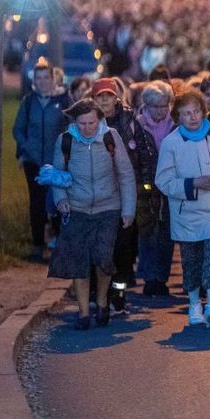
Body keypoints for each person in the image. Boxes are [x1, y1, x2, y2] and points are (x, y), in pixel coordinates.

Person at [154, 89, 210, 328]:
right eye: (186, 114)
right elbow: (163, 181)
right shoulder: (171, 143)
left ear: (203, 112)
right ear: (178, 117)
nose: (193, 117)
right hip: (188, 213)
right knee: (192, 260)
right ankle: (194, 304)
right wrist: (194, 183)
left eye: (196, 112)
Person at [47, 99, 136, 330]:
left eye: (91, 122)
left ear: (100, 120)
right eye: (82, 123)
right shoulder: (65, 140)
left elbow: (125, 175)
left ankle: (103, 300)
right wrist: (61, 199)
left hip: (108, 207)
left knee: (103, 258)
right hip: (77, 208)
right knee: (79, 262)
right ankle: (84, 312)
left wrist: (128, 210)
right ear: (75, 122)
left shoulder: (111, 138)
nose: (87, 127)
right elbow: (57, 174)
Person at [12, 58, 70, 261]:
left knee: (56, 202)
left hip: (56, 162)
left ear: (53, 78)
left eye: (47, 77)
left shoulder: (63, 101)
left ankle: (59, 244)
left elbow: (69, 128)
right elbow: (18, 128)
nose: (43, 81)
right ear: (34, 80)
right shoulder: (29, 102)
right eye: (39, 78)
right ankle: (37, 245)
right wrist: (26, 148)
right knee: (36, 203)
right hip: (33, 161)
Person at [92, 77, 138, 313]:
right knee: (97, 246)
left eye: (108, 96)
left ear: (115, 97)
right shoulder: (87, 123)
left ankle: (119, 290)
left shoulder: (129, 121)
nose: (104, 100)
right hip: (95, 196)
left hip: (122, 191)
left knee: (122, 247)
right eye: (99, 96)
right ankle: (98, 293)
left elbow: (140, 151)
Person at [131, 80, 175, 297]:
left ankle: (161, 278)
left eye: (163, 106)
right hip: (145, 187)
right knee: (147, 232)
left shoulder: (175, 126)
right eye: (155, 106)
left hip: (170, 188)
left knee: (166, 234)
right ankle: (149, 277)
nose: (160, 111)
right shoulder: (137, 125)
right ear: (146, 106)